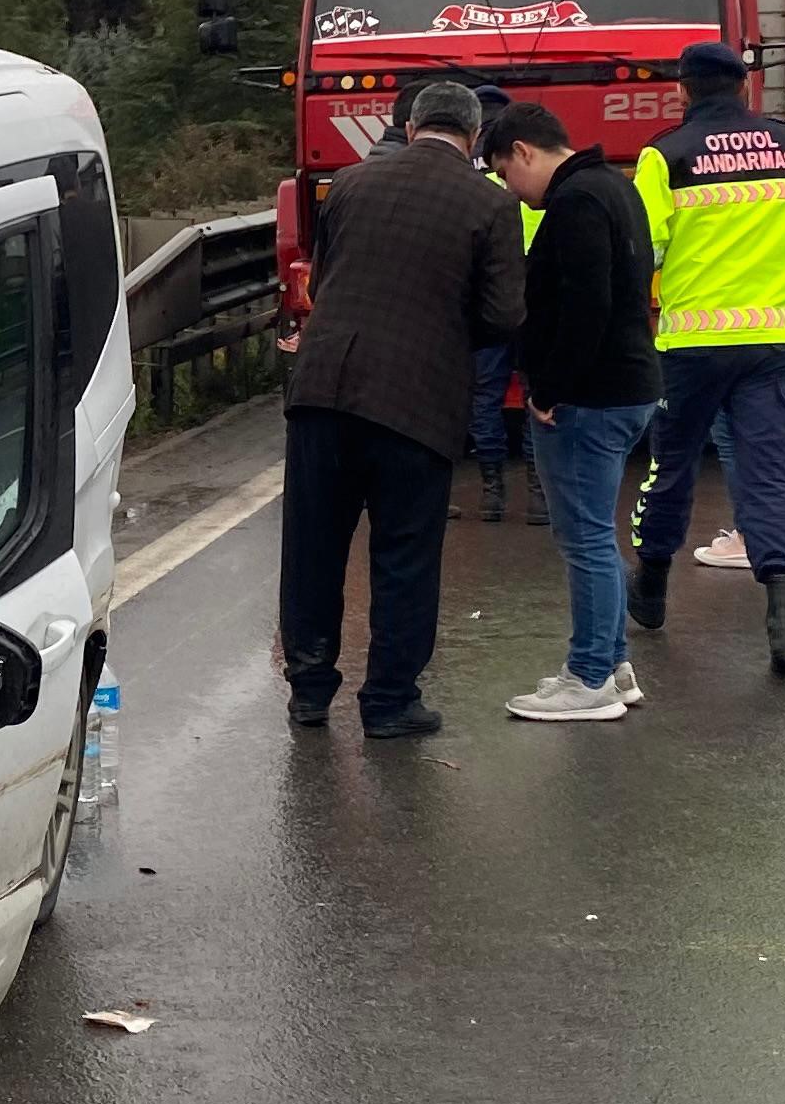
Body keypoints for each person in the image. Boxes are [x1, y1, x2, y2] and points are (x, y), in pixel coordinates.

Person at [276, 76, 528, 739]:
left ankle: (308, 691)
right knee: (404, 554)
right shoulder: (491, 203)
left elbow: (327, 280)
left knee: (313, 547)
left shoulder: (353, 184)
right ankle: (388, 702)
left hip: (322, 389)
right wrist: (441, 337)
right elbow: (503, 317)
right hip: (415, 404)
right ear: (474, 138)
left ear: (412, 128)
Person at [627, 42, 785, 678]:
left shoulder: (664, 155)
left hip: (692, 344)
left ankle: (652, 588)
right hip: (777, 340)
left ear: (683, 90)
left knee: (670, 469)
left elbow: (647, 245)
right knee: (771, 474)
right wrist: (778, 269)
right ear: (746, 89)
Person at [485, 103, 658, 722]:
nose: (511, 189)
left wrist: (549, 387)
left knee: (583, 539)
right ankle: (612, 666)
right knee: (595, 535)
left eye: (506, 172)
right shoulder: (616, 184)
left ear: (525, 151)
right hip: (628, 384)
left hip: (589, 396)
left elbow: (587, 303)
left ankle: (587, 678)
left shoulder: (576, 202)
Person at [467, 106, 545, 526]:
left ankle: (491, 493)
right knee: (536, 396)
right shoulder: (534, 179)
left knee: (486, 396)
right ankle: (538, 495)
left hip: (488, 302)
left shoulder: (476, 187)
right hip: (533, 300)